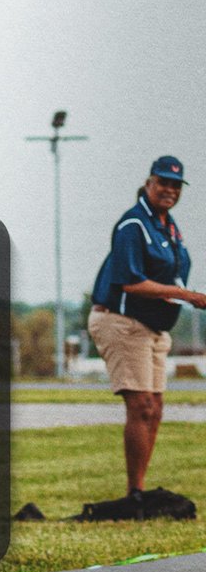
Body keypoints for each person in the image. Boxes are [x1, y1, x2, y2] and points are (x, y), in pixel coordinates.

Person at [88, 156, 206, 503]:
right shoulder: (133, 224)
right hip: (122, 321)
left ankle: (138, 490)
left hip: (154, 327)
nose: (169, 190)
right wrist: (185, 295)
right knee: (140, 405)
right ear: (149, 182)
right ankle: (135, 493)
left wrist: (178, 294)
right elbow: (130, 282)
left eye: (175, 185)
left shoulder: (168, 227)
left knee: (155, 406)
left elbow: (171, 275)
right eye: (163, 182)